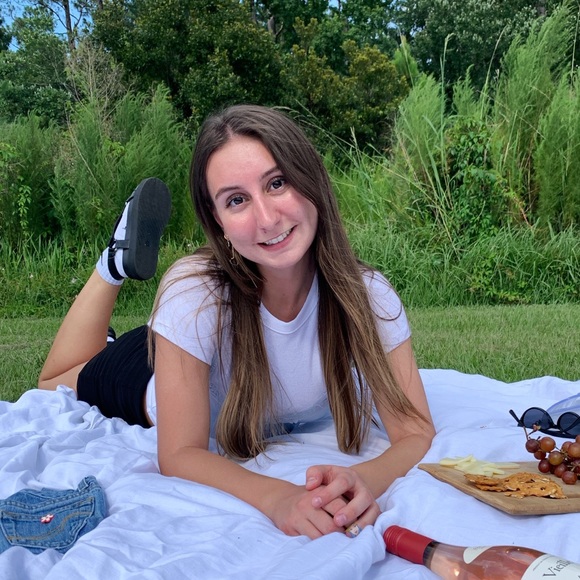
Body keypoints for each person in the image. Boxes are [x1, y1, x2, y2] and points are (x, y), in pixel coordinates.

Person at [39, 104, 435, 540]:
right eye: (237, 200)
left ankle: (123, 326)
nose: (267, 219)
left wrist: (365, 479)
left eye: (277, 183)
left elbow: (415, 429)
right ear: (219, 223)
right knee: (55, 381)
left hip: (186, 340)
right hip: (146, 371)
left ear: (312, 180)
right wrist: (277, 498)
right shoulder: (193, 294)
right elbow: (179, 452)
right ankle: (113, 262)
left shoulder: (368, 296)